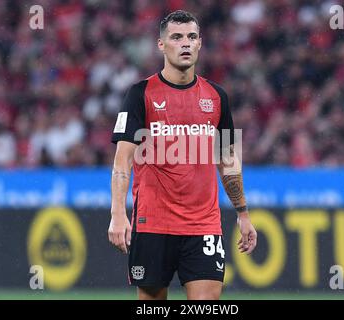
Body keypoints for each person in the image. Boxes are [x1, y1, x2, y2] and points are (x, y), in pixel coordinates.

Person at [108, 10, 257, 300]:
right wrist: (117, 214)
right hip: (153, 223)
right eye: (176, 37)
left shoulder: (217, 97)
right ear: (161, 45)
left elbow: (228, 161)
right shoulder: (139, 94)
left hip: (204, 225)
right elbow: (122, 160)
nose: (185, 43)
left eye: (191, 37)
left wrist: (243, 213)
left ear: (200, 43)